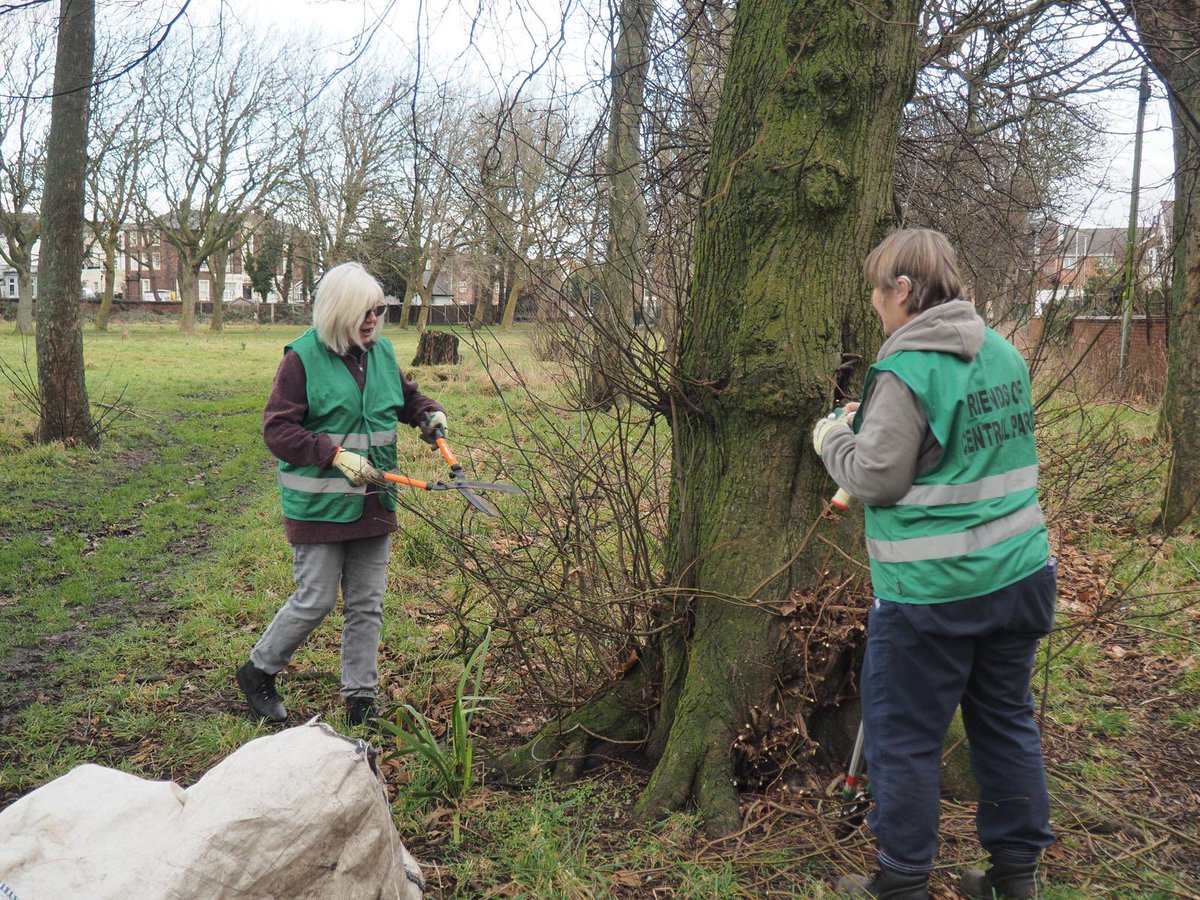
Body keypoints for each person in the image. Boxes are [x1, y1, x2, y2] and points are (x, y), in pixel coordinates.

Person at [811, 229, 1056, 900]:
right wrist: (888, 423)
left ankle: (899, 883)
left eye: (877, 290)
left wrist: (834, 435)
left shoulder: (907, 366)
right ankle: (1014, 877)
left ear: (904, 291)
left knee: (906, 738)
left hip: (932, 596)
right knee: (1004, 721)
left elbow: (878, 479)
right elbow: (960, 445)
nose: (873, 304)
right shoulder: (1002, 351)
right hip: (1021, 578)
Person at [236, 262, 447, 728]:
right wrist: (332, 454)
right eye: (361, 311)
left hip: (375, 499)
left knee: (366, 604)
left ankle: (360, 699)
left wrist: (428, 414)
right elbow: (277, 431)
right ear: (336, 310)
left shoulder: (383, 354)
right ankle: (257, 671)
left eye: (377, 310)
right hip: (319, 505)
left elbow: (405, 397)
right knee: (315, 600)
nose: (371, 319)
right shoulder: (302, 359)